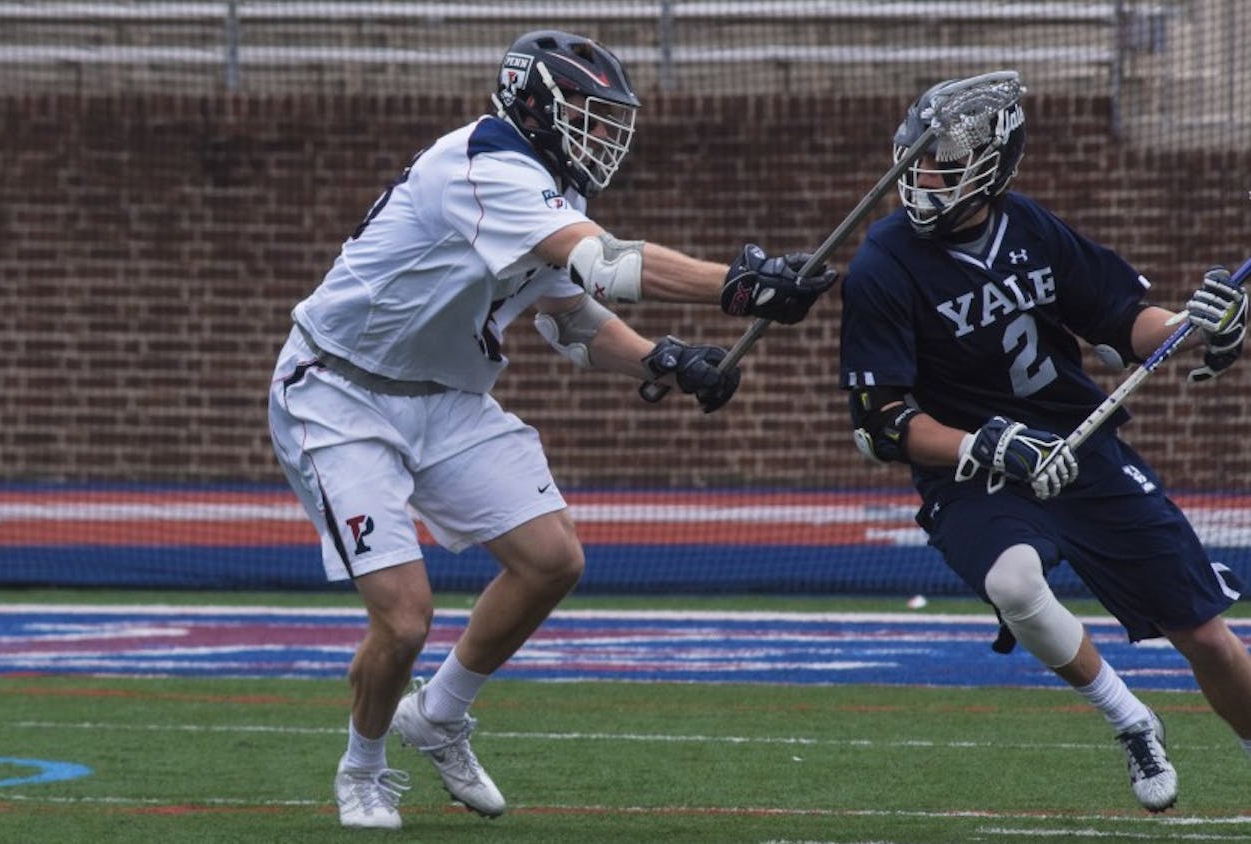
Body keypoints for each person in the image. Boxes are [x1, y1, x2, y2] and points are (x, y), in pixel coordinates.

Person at [267, 29, 835, 830]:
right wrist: (739, 284)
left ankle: (438, 715)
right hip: (339, 393)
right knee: (402, 618)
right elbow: (607, 265)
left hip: (444, 398)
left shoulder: (547, 194)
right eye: (589, 116)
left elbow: (568, 316)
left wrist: (663, 363)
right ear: (535, 105)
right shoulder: (485, 165)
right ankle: (362, 768)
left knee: (551, 559)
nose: (604, 136)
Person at [837, 75, 1251, 813]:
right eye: (918, 158)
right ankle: (1132, 719)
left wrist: (1194, 321)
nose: (919, 176)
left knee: (1208, 636)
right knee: (1015, 584)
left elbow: (1126, 320)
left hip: (1078, 445)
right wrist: (988, 448)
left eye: (941, 162)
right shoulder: (881, 265)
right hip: (971, 468)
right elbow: (883, 425)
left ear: (990, 167)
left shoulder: (1030, 228)